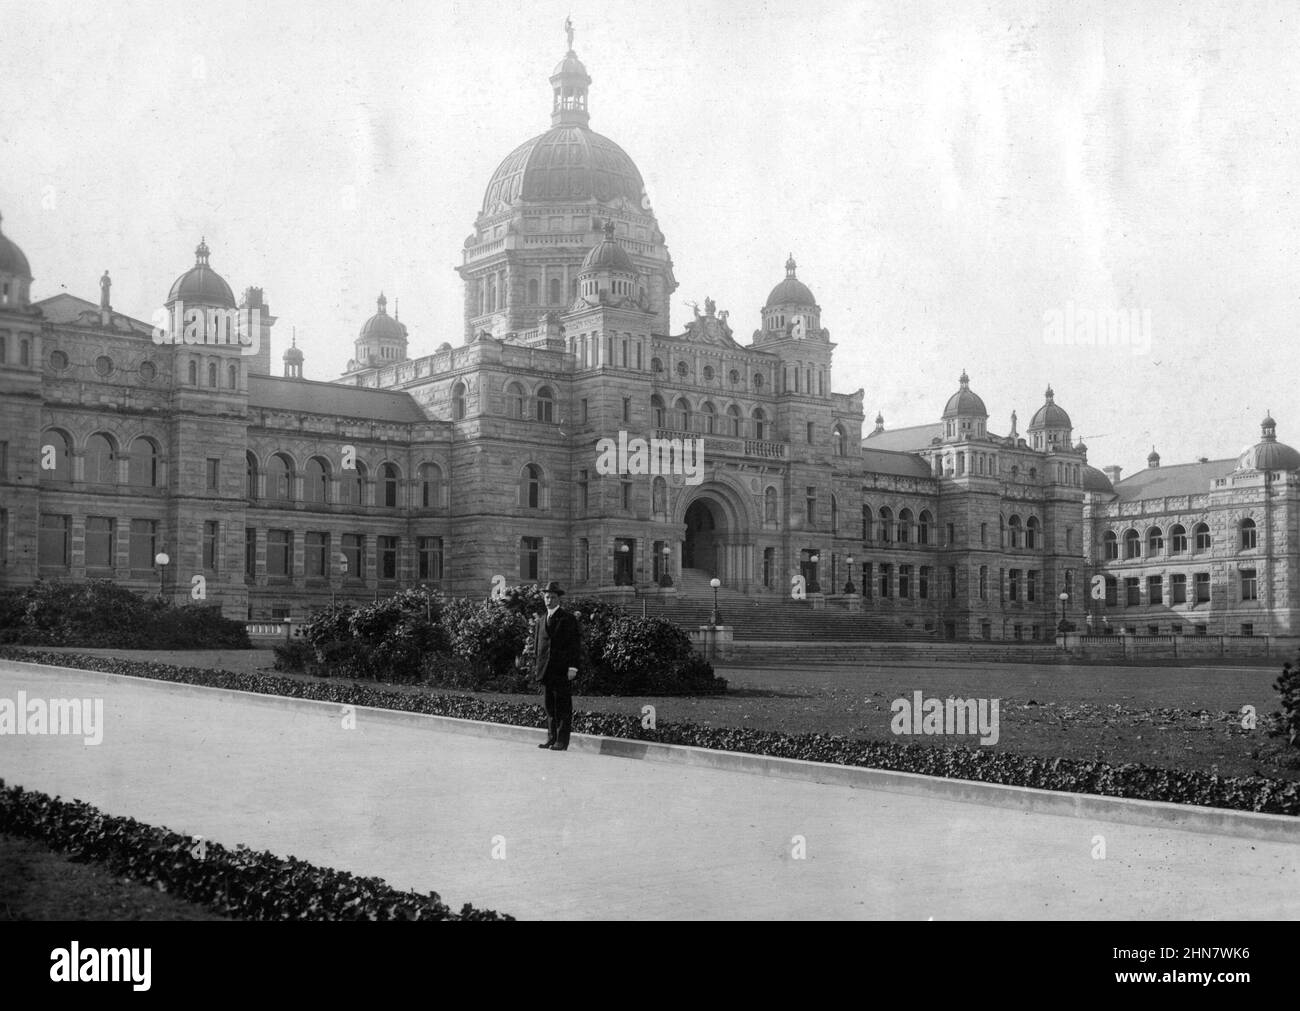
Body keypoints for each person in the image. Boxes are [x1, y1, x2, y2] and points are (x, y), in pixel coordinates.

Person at [532, 581, 580, 750]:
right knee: (549, 707)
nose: (549, 600)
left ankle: (562, 741)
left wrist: (573, 668)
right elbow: (538, 646)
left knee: (562, 706)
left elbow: (574, 645)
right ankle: (551, 738)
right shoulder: (541, 620)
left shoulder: (568, 619)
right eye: (547, 597)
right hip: (546, 670)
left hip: (562, 670)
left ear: (559, 599)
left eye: (552, 597)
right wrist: (537, 667)